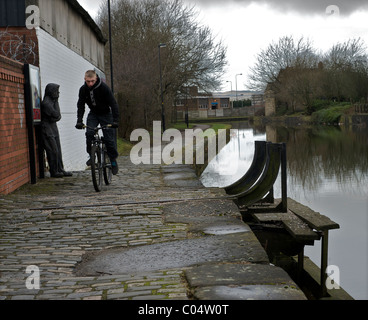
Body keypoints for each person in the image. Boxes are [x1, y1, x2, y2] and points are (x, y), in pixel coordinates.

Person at [75, 70, 119, 175]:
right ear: (84, 79)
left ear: (96, 79)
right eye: (88, 81)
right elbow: (80, 105)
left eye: (92, 81)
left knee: (109, 139)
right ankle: (91, 156)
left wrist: (115, 120)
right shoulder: (83, 90)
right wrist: (79, 121)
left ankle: (113, 160)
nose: (90, 83)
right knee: (89, 134)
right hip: (93, 114)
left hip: (106, 114)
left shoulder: (104, 88)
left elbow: (113, 104)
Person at [41, 83, 73, 178]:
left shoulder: (52, 101)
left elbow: (58, 116)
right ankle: (54, 171)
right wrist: (56, 102)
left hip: (53, 127)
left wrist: (56, 101)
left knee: (58, 149)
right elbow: (56, 114)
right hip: (47, 128)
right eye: (56, 91)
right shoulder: (46, 103)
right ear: (51, 92)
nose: (58, 93)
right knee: (53, 150)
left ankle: (60, 169)